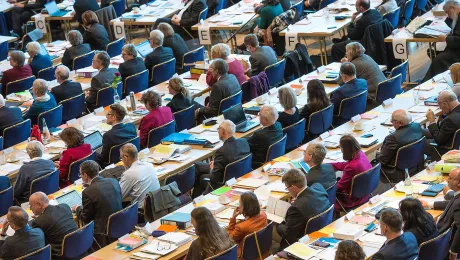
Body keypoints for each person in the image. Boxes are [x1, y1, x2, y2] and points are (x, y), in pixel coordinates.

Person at [276, 169, 331, 250]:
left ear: (293, 187)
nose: (287, 190)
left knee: (274, 228)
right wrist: (299, 199)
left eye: (287, 187)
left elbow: (288, 234)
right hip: (323, 229)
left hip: (303, 241)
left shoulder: (295, 208)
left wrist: (278, 224)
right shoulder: (319, 188)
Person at [193, 120, 250, 197]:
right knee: (198, 165)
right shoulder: (243, 142)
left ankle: (196, 200)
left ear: (222, 131)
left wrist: (212, 169)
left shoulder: (222, 151)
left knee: (202, 177)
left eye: (218, 129)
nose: (218, 131)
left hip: (224, 185)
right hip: (240, 175)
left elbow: (214, 179)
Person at [74, 160, 122, 247]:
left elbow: (85, 218)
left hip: (103, 232)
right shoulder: (113, 181)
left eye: (80, 174)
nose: (81, 176)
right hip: (120, 223)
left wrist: (77, 208)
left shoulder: (87, 192)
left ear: (85, 175)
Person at [376, 110, 424, 187]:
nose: (391, 122)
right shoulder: (417, 126)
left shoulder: (392, 138)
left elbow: (383, 160)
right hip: (417, 165)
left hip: (396, 172)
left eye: (393, 121)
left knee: (371, 164)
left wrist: (377, 153)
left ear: (400, 123)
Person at [420, 168, 460, 260]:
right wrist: (430, 204)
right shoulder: (457, 197)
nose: (447, 180)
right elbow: (453, 203)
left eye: (450, 178)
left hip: (440, 240)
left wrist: (453, 252)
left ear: (459, 183)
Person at [29, 192, 78, 259]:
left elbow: (39, 243)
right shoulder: (65, 206)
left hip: (61, 255)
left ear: (39, 204)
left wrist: (40, 219)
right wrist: (41, 218)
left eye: (31, 205)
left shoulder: (38, 222)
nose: (30, 209)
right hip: (79, 244)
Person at [329, 135, 372, 210]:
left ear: (345, 149)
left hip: (352, 199)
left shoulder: (352, 167)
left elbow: (340, 187)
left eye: (341, 147)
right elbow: (345, 165)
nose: (340, 150)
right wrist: (328, 165)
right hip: (365, 192)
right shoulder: (360, 154)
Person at [423, 0, 460, 81]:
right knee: (434, 53)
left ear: (452, 8)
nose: (448, 15)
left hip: (458, 52)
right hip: (456, 49)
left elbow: (458, 40)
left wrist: (445, 39)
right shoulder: (457, 15)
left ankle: (429, 82)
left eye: (447, 12)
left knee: (438, 59)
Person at [228, 192, 268, 260]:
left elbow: (231, 238)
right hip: (262, 251)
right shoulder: (263, 215)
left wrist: (233, 218)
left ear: (245, 207)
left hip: (246, 256)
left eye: (239, 204)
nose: (238, 206)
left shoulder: (241, 227)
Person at [119, 143, 160, 208]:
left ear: (126, 157)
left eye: (121, 157)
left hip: (143, 212)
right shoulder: (149, 165)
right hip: (158, 206)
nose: (122, 160)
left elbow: (119, 196)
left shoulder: (129, 174)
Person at [424, 90, 460, 161]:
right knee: (420, 131)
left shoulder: (450, 120)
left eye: (440, 105)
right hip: (453, 140)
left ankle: (419, 168)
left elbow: (438, 140)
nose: (440, 108)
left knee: (419, 142)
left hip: (445, 148)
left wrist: (432, 121)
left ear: (445, 104)